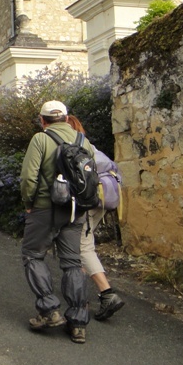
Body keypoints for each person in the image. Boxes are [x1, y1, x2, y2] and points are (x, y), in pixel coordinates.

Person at [19, 100, 93, 343]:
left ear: (43, 120)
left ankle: (49, 310)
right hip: (75, 210)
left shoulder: (40, 139)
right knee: (73, 262)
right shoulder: (83, 141)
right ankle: (78, 323)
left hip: (45, 208)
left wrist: (28, 203)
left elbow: (29, 177)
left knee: (33, 254)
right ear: (66, 117)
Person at [67, 115, 125, 321]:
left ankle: (107, 293)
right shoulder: (89, 145)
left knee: (84, 247)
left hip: (89, 201)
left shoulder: (72, 148)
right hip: (103, 199)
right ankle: (81, 291)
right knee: (82, 244)